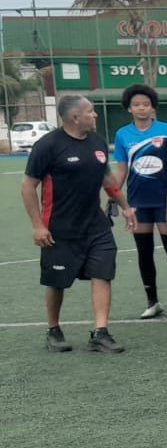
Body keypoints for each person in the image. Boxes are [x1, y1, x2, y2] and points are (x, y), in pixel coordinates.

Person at [21, 94, 130, 353]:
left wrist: (125, 207)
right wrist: (38, 226)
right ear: (75, 117)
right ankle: (53, 331)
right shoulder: (48, 145)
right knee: (56, 281)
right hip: (59, 229)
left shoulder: (97, 141)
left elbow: (108, 179)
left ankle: (100, 333)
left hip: (96, 225)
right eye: (90, 111)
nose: (95, 115)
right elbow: (28, 186)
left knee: (103, 273)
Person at [111, 83, 167, 319]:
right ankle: (152, 301)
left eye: (146, 104)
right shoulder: (122, 134)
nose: (141, 108)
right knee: (144, 252)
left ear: (153, 107)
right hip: (138, 201)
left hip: (165, 200)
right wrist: (113, 196)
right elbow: (121, 169)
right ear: (129, 108)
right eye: (136, 105)